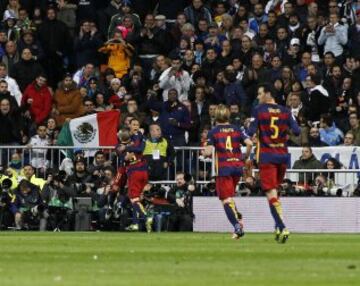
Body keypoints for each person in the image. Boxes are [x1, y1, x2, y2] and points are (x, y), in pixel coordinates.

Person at [247, 83, 300, 243]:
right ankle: (278, 226)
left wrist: (249, 126)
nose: (258, 97)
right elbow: (297, 131)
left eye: (259, 93)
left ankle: (282, 225)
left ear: (268, 94)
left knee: (270, 193)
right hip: (282, 155)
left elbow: (250, 132)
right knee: (275, 193)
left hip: (267, 156)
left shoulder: (259, 110)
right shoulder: (286, 111)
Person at [203, 104, 253, 239]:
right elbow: (250, 143)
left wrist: (205, 152)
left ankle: (237, 227)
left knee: (225, 200)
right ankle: (239, 218)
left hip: (223, 168)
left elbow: (207, 151)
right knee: (229, 197)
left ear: (216, 115)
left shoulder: (214, 131)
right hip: (237, 166)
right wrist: (246, 157)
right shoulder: (237, 129)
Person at [116, 119, 152, 232]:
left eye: (137, 124)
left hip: (134, 172)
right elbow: (139, 149)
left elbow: (124, 159)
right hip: (144, 170)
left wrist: (125, 149)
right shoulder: (140, 138)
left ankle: (147, 217)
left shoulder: (120, 146)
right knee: (136, 199)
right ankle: (136, 224)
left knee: (133, 199)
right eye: (134, 125)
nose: (136, 127)